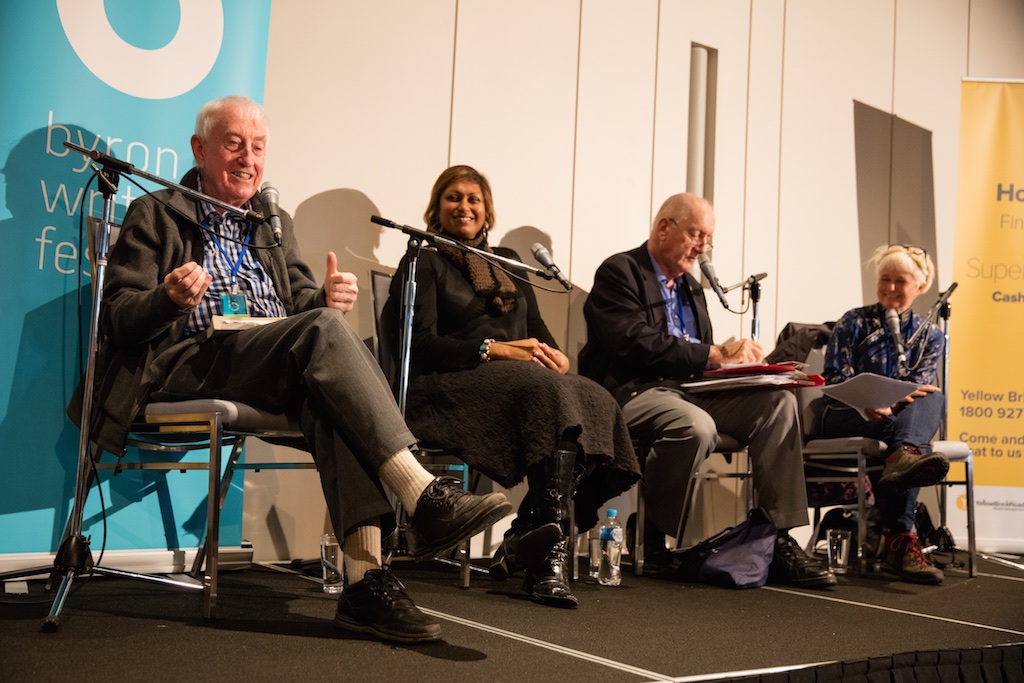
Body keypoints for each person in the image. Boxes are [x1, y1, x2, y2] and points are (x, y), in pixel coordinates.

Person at [68, 96, 512, 644]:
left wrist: (325, 295)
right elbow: (119, 318)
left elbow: (302, 304)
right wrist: (166, 299)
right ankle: (422, 493)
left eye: (257, 148)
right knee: (324, 333)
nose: (247, 158)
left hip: (266, 357)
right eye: (233, 144)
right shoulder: (157, 211)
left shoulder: (271, 221)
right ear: (200, 149)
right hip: (186, 359)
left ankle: (366, 585)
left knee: (330, 392)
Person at [383, 165, 640, 608]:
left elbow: (538, 332)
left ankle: (527, 533)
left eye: (474, 199)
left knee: (595, 398)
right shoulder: (422, 260)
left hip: (515, 385)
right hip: (447, 388)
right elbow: (418, 344)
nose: (464, 207)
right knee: (547, 394)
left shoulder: (507, 264)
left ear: (487, 211)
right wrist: (494, 349)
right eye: (454, 198)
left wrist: (555, 355)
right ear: (436, 207)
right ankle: (547, 564)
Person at [579, 192, 835, 589]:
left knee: (779, 403)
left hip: (691, 391)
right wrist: (713, 354)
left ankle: (777, 534)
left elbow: (702, 356)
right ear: (665, 227)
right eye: (696, 235)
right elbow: (632, 342)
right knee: (696, 426)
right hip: (633, 392)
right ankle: (650, 533)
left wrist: (738, 364)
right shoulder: (620, 272)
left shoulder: (692, 290)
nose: (702, 248)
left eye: (708, 239)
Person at [818, 244, 949, 584]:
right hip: (845, 412)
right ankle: (900, 541)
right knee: (915, 447)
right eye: (884, 279)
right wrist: (867, 401)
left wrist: (893, 402)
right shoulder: (854, 321)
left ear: (920, 286)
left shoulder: (931, 335)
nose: (890, 288)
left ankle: (904, 458)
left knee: (934, 399)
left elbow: (918, 391)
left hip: (894, 418)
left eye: (900, 281)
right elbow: (833, 377)